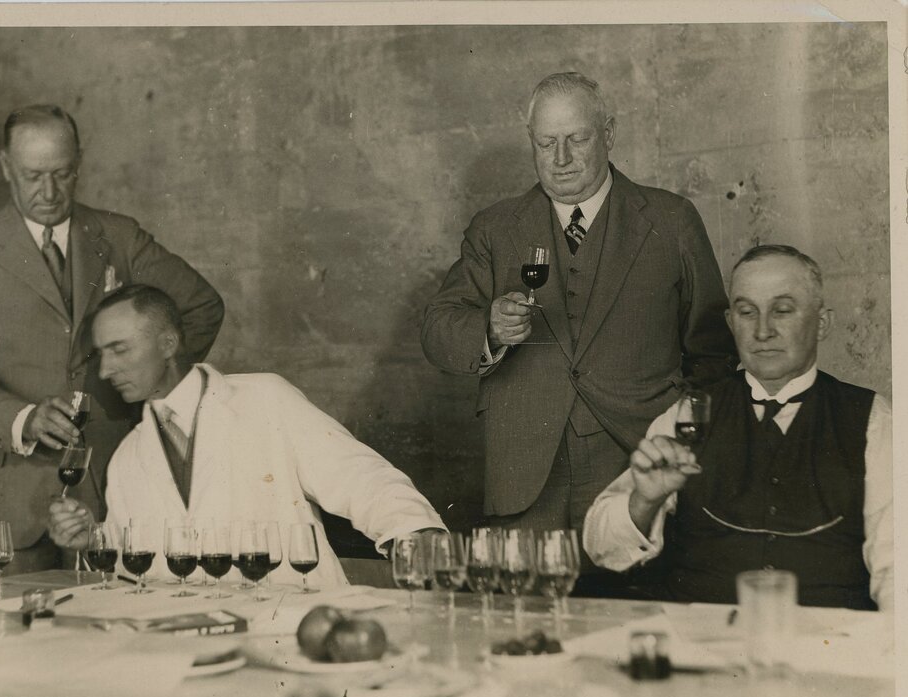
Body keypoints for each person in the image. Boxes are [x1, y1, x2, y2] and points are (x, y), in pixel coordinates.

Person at [421, 72, 735, 549]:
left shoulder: (671, 221)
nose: (561, 159)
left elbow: (714, 353)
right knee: (530, 616)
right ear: (531, 142)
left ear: (608, 134)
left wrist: (677, 438)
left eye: (577, 139)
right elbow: (438, 329)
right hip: (524, 477)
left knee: (635, 609)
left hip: (638, 466)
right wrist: (489, 328)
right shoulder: (494, 229)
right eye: (546, 143)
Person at [0, 105, 225, 573]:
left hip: (112, 488)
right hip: (7, 505)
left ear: (80, 162)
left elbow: (201, 307)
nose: (49, 192)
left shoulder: (120, 237)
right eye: (33, 176)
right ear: (5, 167)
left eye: (62, 174)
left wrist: (143, 380)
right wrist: (24, 419)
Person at [48, 285, 447, 588]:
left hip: (291, 632)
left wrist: (414, 533)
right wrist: (92, 539)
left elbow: (363, 480)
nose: (105, 371)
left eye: (119, 349)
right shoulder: (128, 456)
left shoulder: (265, 399)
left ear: (168, 343)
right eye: (101, 355)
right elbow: (131, 573)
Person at [583, 245, 892, 611]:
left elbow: (898, 569)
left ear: (822, 323)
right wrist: (644, 501)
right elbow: (601, 548)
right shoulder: (688, 413)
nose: (763, 331)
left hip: (827, 648)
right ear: (731, 323)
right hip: (703, 647)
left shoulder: (875, 420)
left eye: (782, 310)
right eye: (747, 312)